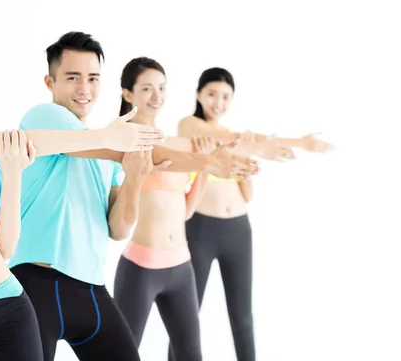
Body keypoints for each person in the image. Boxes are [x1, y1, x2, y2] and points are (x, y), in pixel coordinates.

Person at [0, 20, 167, 361]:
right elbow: (7, 141)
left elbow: (6, 246)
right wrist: (100, 137)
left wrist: (12, 172)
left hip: (5, 309)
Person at [7, 32, 261, 361]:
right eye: (73, 78)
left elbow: (118, 227)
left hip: (90, 287)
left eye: (93, 78)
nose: (84, 88)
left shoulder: (108, 150)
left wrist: (135, 178)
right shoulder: (44, 118)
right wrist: (207, 162)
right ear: (50, 81)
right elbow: (125, 147)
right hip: (38, 282)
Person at [111, 58, 294, 361]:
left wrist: (207, 165)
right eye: (147, 88)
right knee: (124, 353)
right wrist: (216, 157)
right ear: (128, 94)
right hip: (143, 267)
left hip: (180, 266)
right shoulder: (125, 140)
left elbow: (184, 210)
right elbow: (151, 161)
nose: (157, 96)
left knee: (191, 355)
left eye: (162, 88)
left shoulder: (175, 142)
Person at [171, 67, 335, 361]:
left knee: (243, 319)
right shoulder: (190, 126)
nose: (218, 102)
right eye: (211, 94)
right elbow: (225, 139)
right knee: (187, 316)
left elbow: (247, 195)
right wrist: (283, 143)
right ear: (198, 94)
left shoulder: (236, 141)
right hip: (201, 231)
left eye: (225, 97)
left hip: (238, 231)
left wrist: (259, 151)